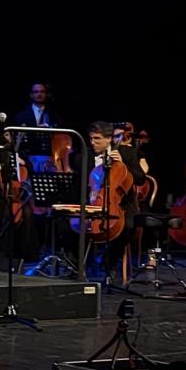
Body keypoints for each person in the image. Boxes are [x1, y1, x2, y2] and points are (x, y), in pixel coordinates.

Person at [80, 121, 146, 282]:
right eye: (91, 138)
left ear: (109, 139)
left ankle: (109, 260)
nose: (92, 142)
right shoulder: (86, 155)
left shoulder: (127, 153)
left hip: (121, 204)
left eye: (97, 139)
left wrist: (123, 165)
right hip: (94, 201)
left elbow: (140, 179)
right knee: (70, 224)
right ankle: (80, 266)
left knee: (129, 226)